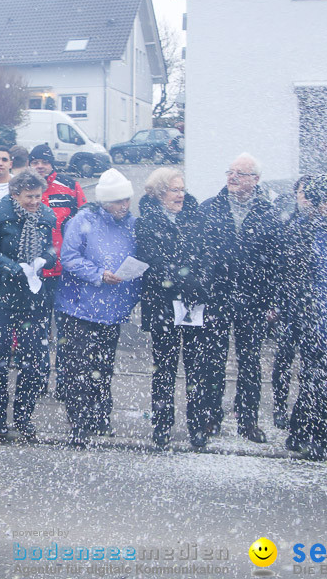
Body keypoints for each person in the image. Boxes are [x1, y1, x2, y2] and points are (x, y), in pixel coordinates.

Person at [197, 152, 282, 443]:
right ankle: (210, 418)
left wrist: (272, 301)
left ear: (255, 180)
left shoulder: (267, 213)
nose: (232, 177)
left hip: (253, 299)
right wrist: (203, 290)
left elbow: (275, 262)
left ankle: (248, 421)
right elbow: (198, 256)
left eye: (240, 174)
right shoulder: (209, 208)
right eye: (230, 172)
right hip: (216, 298)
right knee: (213, 360)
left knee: (250, 362)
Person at [55, 168, 140, 448]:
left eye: (127, 200)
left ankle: (101, 418)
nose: (124, 206)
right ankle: (79, 424)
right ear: (105, 201)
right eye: (118, 201)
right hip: (80, 308)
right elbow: (68, 257)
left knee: (103, 368)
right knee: (78, 368)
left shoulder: (132, 224)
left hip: (112, 309)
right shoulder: (83, 221)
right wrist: (98, 273)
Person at [0, 170, 57, 441]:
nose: (35, 201)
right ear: (15, 195)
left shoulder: (45, 217)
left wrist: (44, 260)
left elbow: (50, 248)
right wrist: (13, 268)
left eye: (38, 196)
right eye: (29, 197)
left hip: (31, 295)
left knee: (33, 360)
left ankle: (24, 415)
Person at [282, 176, 327, 460]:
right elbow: (294, 282)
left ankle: (299, 433)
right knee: (316, 381)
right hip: (314, 319)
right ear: (314, 202)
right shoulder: (302, 231)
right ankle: (319, 436)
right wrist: (307, 317)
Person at [136, 168, 207, 449]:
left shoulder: (195, 217)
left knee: (196, 369)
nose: (181, 195)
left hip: (193, 304)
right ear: (159, 193)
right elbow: (152, 263)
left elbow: (207, 253)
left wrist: (200, 283)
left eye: (182, 189)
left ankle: (197, 426)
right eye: (174, 190)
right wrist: (185, 279)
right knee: (164, 369)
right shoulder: (146, 222)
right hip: (163, 304)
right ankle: (162, 426)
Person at [28, 143, 86, 397]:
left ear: (52, 164)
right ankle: (39, 380)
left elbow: (85, 219)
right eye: (35, 161)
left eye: (44, 161)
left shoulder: (69, 185)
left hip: (65, 272)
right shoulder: (25, 187)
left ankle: (64, 382)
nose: (40, 166)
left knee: (65, 332)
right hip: (37, 273)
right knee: (38, 330)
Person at [271, 176, 313, 428]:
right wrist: (275, 302)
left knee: (310, 361)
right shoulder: (284, 221)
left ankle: (304, 408)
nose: (306, 197)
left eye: (310, 193)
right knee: (284, 358)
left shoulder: (320, 226)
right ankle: (279, 406)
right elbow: (275, 266)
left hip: (311, 303)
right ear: (296, 194)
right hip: (288, 302)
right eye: (302, 192)